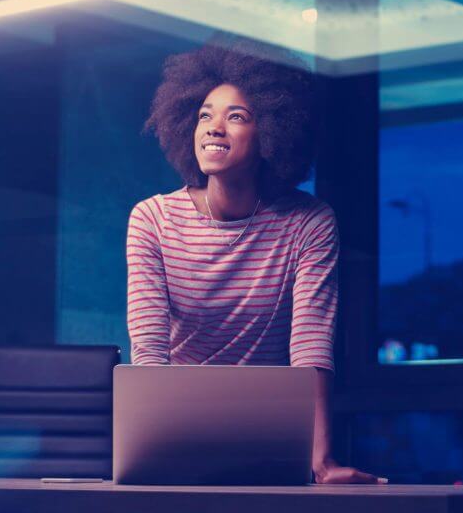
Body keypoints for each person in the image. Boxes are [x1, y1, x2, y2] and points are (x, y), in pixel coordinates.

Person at [130, 36, 386, 485]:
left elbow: (311, 348)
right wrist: (150, 452)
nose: (214, 127)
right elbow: (149, 353)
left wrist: (321, 461)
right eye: (205, 115)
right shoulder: (153, 219)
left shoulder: (308, 222)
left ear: (271, 131)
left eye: (237, 117)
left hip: (274, 440)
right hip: (177, 434)